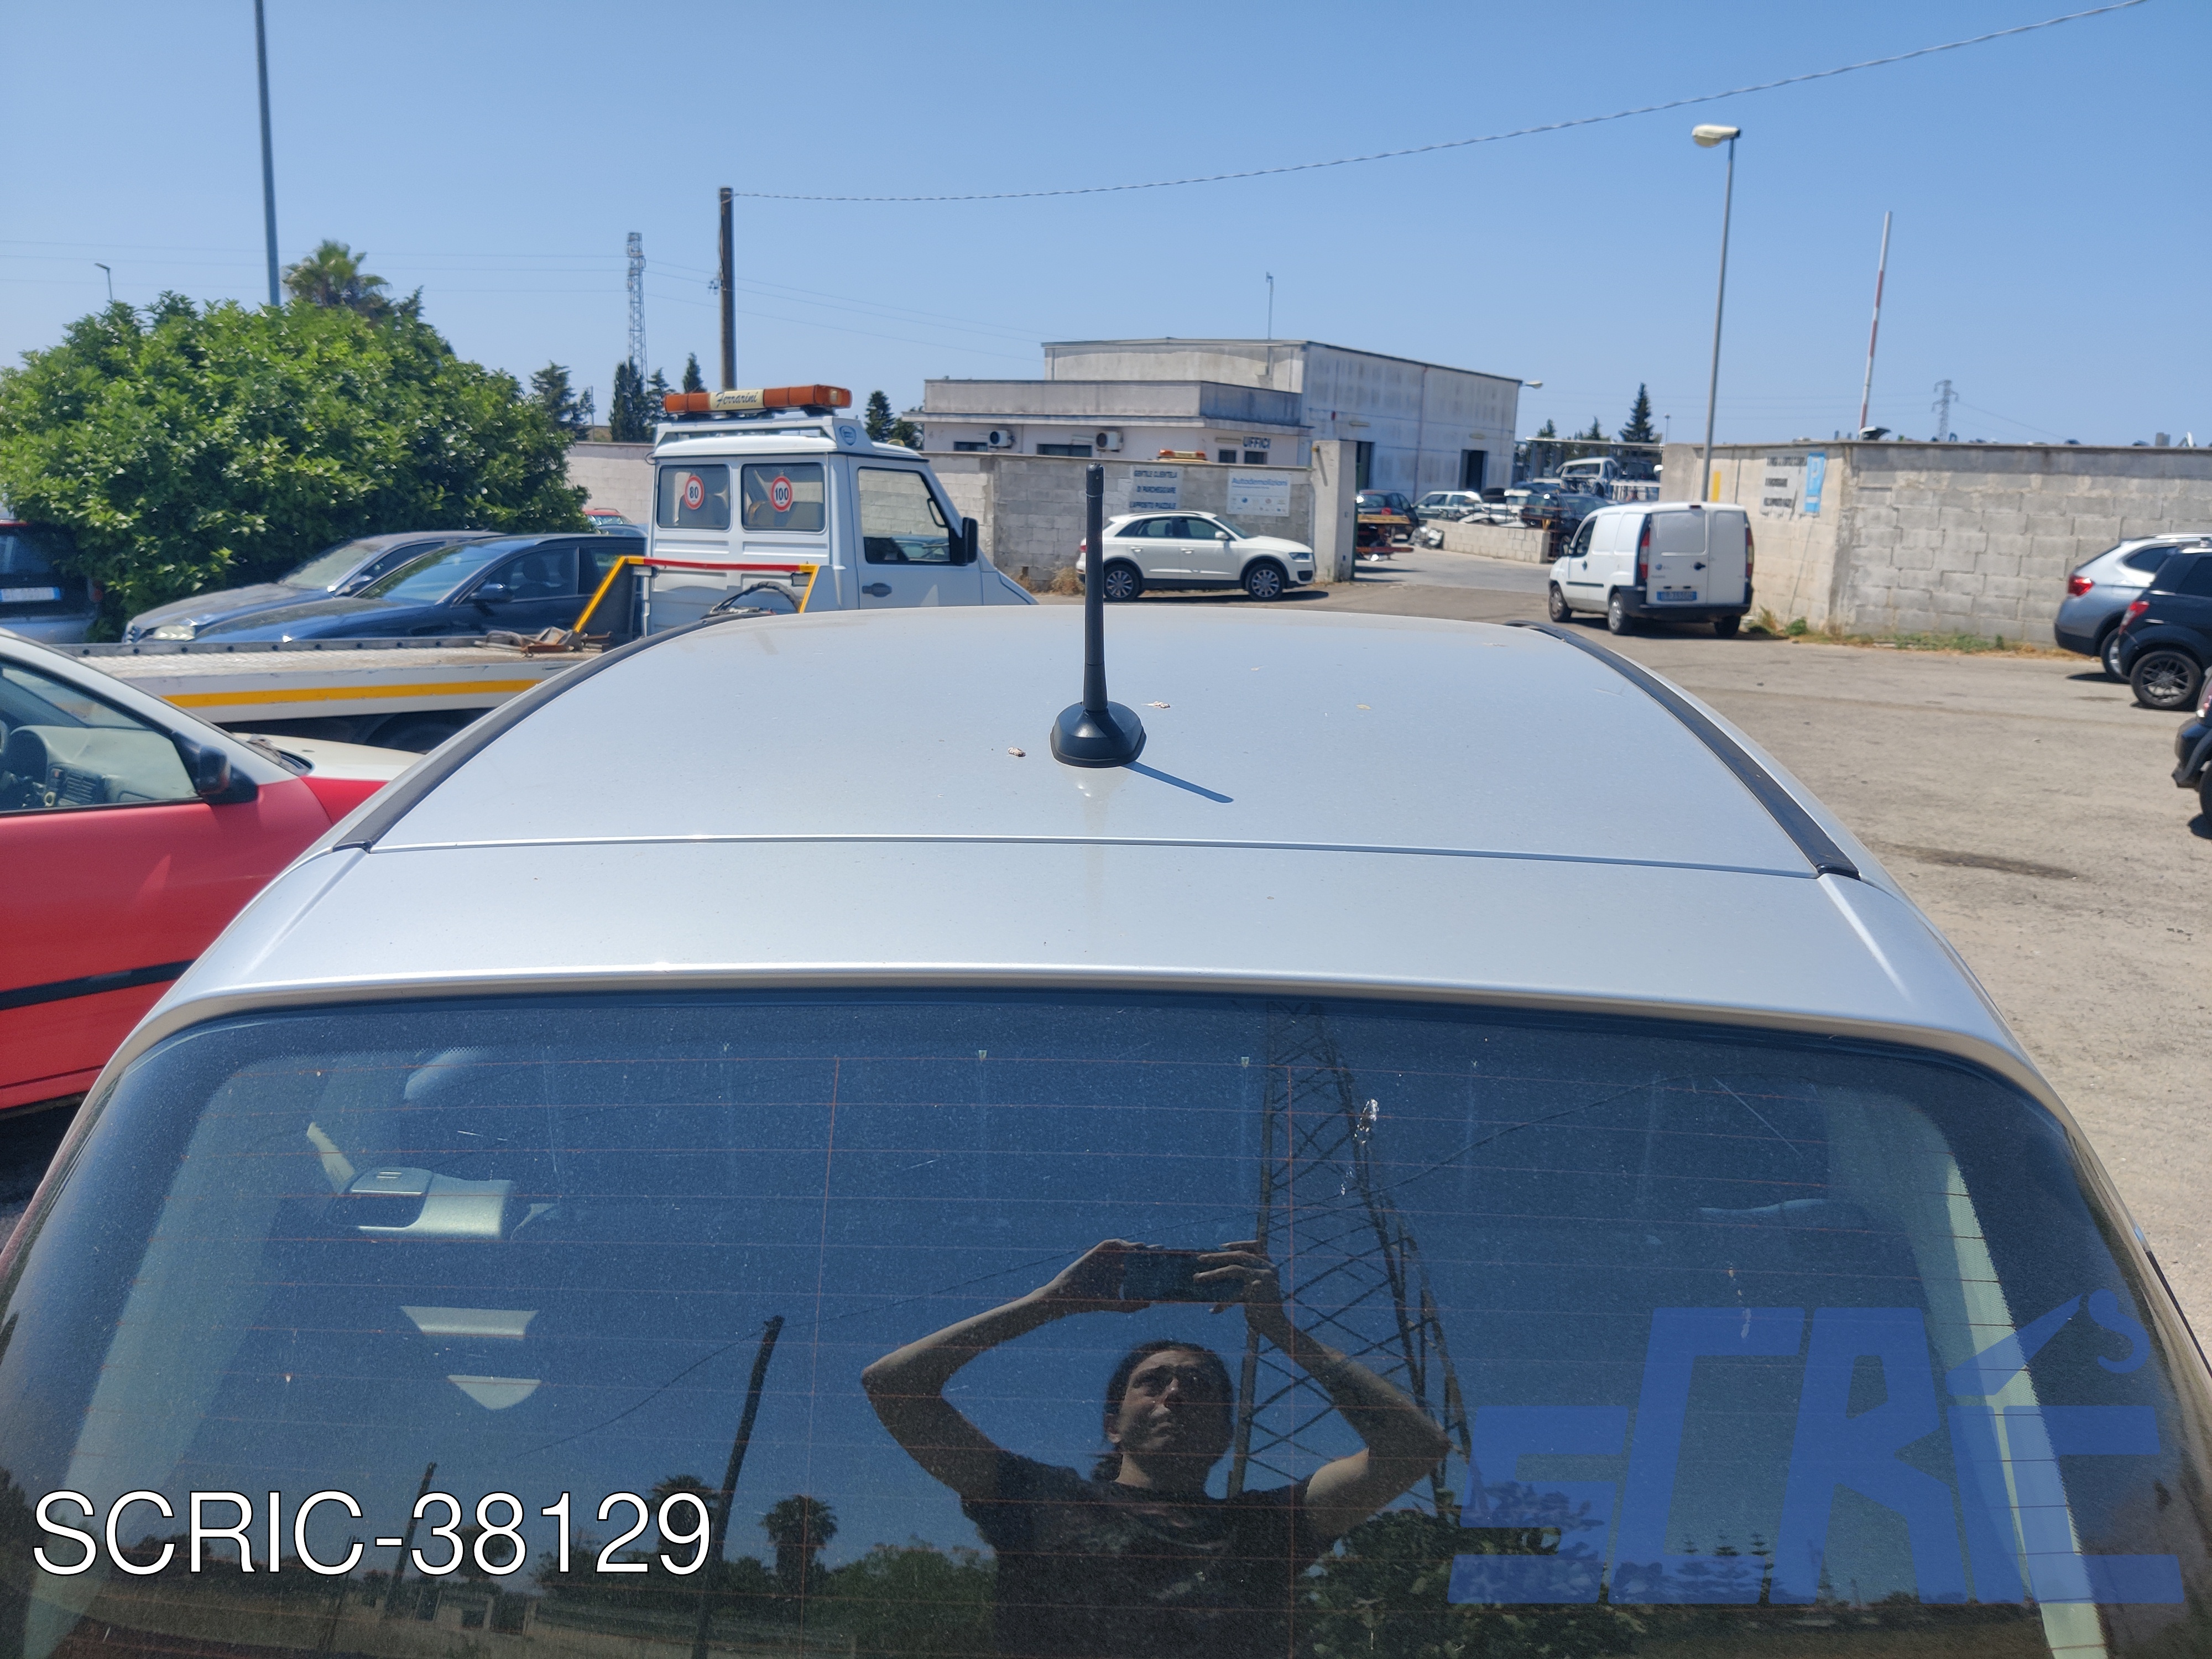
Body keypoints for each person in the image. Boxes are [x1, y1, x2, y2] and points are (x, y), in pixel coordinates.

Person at [861, 1239, 1451, 1659]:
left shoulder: (1267, 1527)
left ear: (1226, 1434)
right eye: (1153, 1382)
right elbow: (893, 1385)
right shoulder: (1040, 1500)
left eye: (1197, 1385)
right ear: (1113, 1426)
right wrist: (1052, 1302)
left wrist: (1281, 1330)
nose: (1175, 1393)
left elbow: (1416, 1446)